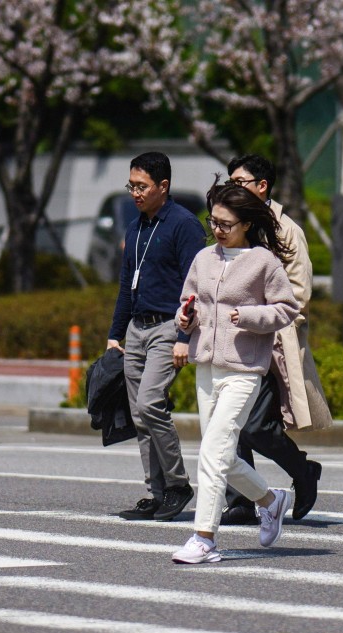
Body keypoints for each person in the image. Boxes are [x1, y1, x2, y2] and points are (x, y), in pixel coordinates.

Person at [171, 182, 298, 564]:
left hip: (244, 370)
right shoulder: (204, 259)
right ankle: (271, 500)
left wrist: (249, 316)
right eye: (214, 222)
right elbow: (187, 300)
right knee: (221, 455)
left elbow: (287, 309)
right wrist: (185, 318)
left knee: (212, 451)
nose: (218, 229)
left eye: (226, 223)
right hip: (206, 367)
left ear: (245, 224)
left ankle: (204, 538)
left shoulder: (263, 262)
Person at [220, 154, 330, 525]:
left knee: (254, 426)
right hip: (234, 341)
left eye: (240, 182)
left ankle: (302, 470)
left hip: (272, 344)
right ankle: (240, 500)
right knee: (229, 418)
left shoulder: (286, 230)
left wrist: (264, 321)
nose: (232, 189)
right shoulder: (236, 227)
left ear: (262, 186)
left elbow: (298, 294)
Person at [107, 152, 207, 522]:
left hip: (168, 326)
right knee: (139, 416)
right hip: (136, 327)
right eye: (131, 186)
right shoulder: (135, 227)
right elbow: (124, 284)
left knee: (150, 403)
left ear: (163, 186)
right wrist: (115, 333)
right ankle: (157, 492)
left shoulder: (184, 225)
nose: (135, 192)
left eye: (141, 186)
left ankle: (179, 485)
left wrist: (185, 335)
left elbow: (196, 285)